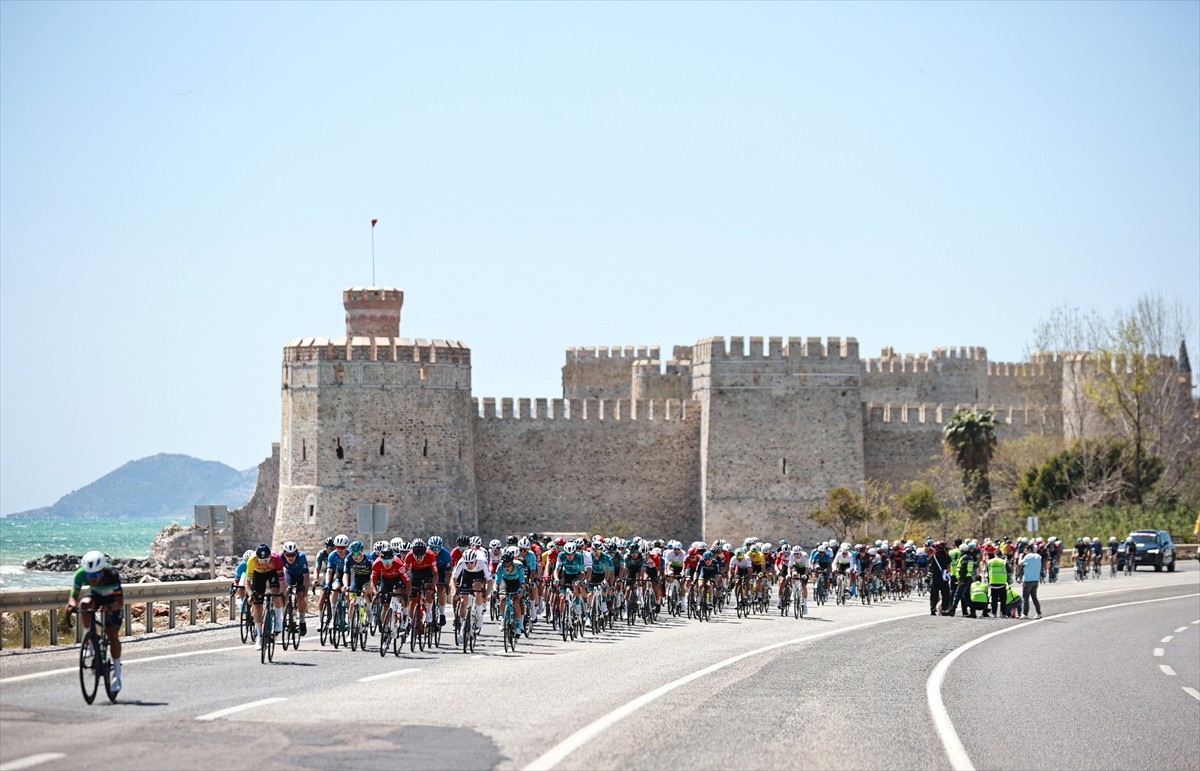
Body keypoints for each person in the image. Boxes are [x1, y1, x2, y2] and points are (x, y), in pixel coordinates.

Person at [66, 551, 124, 692]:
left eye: (96, 575)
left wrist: (109, 607)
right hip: (97, 594)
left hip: (112, 599)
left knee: (112, 635)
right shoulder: (80, 574)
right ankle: (91, 639)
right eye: (89, 575)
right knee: (84, 605)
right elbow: (73, 596)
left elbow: (120, 602)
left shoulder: (112, 574)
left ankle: (117, 674)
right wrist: (71, 605)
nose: (92, 579)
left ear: (102, 570)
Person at [246, 543, 285, 650]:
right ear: (257, 558)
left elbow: (282, 581)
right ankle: (259, 635)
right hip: (258, 575)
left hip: (272, 573)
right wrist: (250, 595)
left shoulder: (276, 558)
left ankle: (278, 621)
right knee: (257, 605)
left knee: (276, 592)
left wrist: (281, 594)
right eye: (261, 561)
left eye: (266, 561)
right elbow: (247, 582)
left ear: (270, 557)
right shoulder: (252, 560)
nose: (263, 564)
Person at [280, 541, 310, 635]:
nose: (291, 557)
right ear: (284, 554)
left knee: (300, 595)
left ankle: (302, 621)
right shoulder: (280, 558)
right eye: (288, 555)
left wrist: (305, 589)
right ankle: (283, 616)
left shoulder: (302, 557)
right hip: (289, 574)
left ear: (296, 553)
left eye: (293, 555)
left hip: (300, 576)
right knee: (286, 590)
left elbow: (306, 575)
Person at [1020, 546, 1043, 618]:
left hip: (1028, 580)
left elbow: (1020, 564)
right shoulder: (1038, 556)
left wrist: (1020, 557)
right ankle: (1039, 613)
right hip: (1035, 579)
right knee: (1034, 597)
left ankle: (1025, 614)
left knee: (1025, 598)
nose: (1024, 550)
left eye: (1025, 549)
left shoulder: (1027, 556)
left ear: (1029, 549)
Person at [986, 547, 1008, 619]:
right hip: (1002, 583)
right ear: (1001, 555)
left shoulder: (989, 562)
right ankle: (1003, 614)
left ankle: (994, 613)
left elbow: (987, 571)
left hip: (993, 583)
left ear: (995, 554)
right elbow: (1010, 570)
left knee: (994, 600)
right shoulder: (1004, 562)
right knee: (1003, 600)